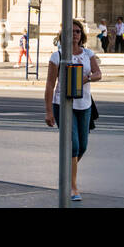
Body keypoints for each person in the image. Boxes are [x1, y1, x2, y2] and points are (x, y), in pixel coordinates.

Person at [44, 20, 102, 201]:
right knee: (74, 145)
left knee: (82, 146)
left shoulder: (88, 54)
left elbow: (98, 73)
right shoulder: (57, 56)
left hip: (84, 105)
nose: (75, 34)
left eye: (78, 31)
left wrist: (87, 79)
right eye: (72, 32)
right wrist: (48, 111)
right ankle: (73, 186)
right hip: (63, 105)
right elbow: (50, 84)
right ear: (64, 35)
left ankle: (67, 173)